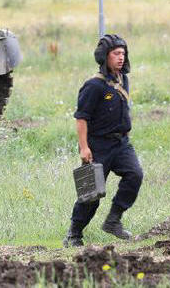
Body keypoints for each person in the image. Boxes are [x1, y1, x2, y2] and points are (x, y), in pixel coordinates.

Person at [64, 34, 143, 247]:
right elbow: (81, 118)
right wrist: (84, 147)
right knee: (91, 194)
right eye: (116, 53)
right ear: (104, 56)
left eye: (123, 53)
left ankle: (113, 221)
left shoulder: (123, 80)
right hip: (98, 145)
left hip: (121, 144)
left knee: (135, 175)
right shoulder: (93, 85)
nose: (121, 57)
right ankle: (74, 234)